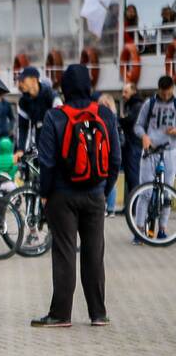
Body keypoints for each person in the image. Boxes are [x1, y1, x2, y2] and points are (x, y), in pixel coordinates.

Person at [32, 64, 120, 327]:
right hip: (95, 193)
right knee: (94, 252)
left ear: (65, 87)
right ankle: (98, 313)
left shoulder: (54, 117)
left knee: (65, 252)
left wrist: (44, 194)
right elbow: (115, 159)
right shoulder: (105, 114)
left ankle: (61, 314)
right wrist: (104, 189)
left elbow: (46, 162)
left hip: (62, 195)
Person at [133, 74, 176, 240]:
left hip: (170, 152)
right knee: (145, 192)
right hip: (150, 151)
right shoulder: (149, 104)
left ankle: (162, 229)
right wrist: (144, 136)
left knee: (167, 194)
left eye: (168, 93)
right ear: (159, 89)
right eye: (163, 93)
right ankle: (139, 229)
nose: (165, 96)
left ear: (172, 89)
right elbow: (138, 126)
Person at [14, 66, 59, 159]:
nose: (20, 84)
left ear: (34, 80)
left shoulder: (51, 95)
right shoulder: (23, 101)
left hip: (55, 138)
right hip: (39, 138)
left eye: (23, 80)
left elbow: (61, 121)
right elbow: (23, 127)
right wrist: (21, 149)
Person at [119, 82, 145, 213]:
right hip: (131, 146)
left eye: (126, 92)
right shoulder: (133, 105)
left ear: (133, 92)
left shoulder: (137, 106)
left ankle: (134, 208)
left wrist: (119, 120)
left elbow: (130, 122)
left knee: (133, 177)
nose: (123, 95)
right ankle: (130, 207)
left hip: (134, 146)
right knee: (130, 178)